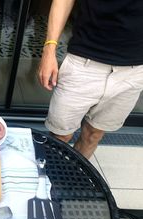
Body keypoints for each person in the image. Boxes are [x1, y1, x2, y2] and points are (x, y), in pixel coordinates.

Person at [38, 0, 143, 159]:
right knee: (61, 136)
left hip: (134, 70)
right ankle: (51, 178)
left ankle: (72, 180)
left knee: (93, 135)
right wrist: (49, 49)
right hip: (84, 61)